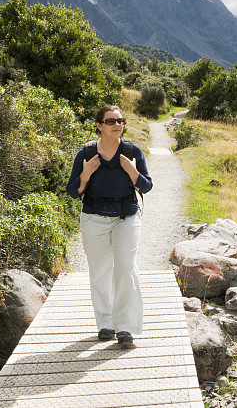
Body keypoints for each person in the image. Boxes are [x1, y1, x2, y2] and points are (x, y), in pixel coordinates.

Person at [66, 105, 153, 347]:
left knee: (125, 268)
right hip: (94, 218)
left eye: (120, 120)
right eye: (111, 121)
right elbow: (73, 191)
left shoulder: (131, 150)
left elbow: (146, 187)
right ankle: (106, 323)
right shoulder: (87, 153)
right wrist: (86, 174)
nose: (117, 125)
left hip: (126, 216)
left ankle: (125, 326)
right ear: (99, 125)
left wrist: (133, 173)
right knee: (100, 271)